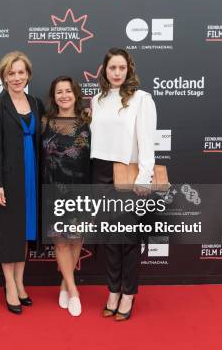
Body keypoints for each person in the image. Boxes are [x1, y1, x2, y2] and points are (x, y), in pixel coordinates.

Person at [90, 48, 157, 321]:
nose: (116, 73)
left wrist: (144, 178)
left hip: (127, 174)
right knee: (109, 239)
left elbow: (147, 143)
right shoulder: (97, 99)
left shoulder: (142, 100)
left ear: (128, 70)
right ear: (104, 70)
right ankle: (113, 291)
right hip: (99, 172)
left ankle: (128, 294)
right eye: (111, 68)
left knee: (128, 240)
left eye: (121, 68)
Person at [0, 51, 44, 314]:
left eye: (21, 72)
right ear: (4, 77)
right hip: (8, 179)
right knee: (8, 231)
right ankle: (9, 284)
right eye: (12, 73)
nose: (17, 77)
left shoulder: (36, 102)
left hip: (31, 176)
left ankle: (21, 283)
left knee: (25, 231)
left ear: (28, 74)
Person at [41, 76, 91, 317]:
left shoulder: (88, 120)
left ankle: (64, 284)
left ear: (75, 94)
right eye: (59, 91)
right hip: (53, 189)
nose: (63, 95)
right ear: (54, 96)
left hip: (81, 189)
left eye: (68, 91)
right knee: (60, 241)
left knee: (76, 239)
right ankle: (74, 291)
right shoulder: (45, 122)